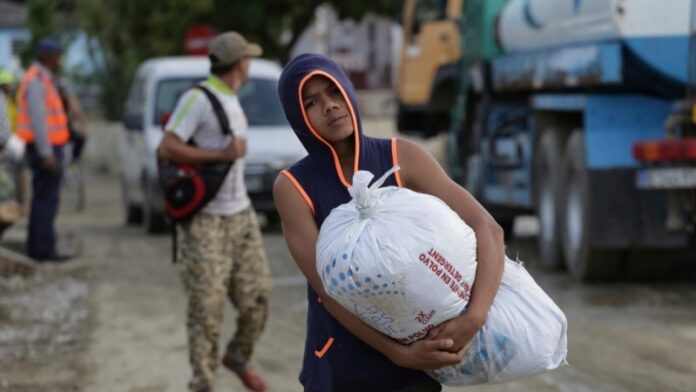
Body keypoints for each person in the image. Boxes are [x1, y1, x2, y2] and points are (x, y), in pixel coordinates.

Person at [273, 53, 506, 391]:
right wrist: (398, 353)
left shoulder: (402, 158)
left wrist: (475, 316)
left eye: (334, 91)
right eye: (311, 102)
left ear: (348, 92)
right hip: (342, 370)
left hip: (417, 370)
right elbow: (329, 292)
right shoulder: (294, 188)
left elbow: (486, 228)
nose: (329, 106)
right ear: (297, 116)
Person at [158, 31, 272, 392]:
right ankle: (203, 382)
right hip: (205, 221)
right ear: (240, 64)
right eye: (248, 59)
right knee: (206, 308)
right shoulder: (198, 99)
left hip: (242, 216)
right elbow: (168, 148)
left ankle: (238, 356)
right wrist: (223, 154)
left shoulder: (232, 99)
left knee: (259, 298)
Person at [16, 38, 72, 261]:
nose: (59, 60)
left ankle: (44, 246)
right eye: (57, 55)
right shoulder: (37, 81)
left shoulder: (45, 79)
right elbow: (39, 121)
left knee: (47, 199)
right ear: (47, 56)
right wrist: (46, 153)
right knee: (44, 200)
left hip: (49, 147)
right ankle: (42, 249)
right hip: (45, 150)